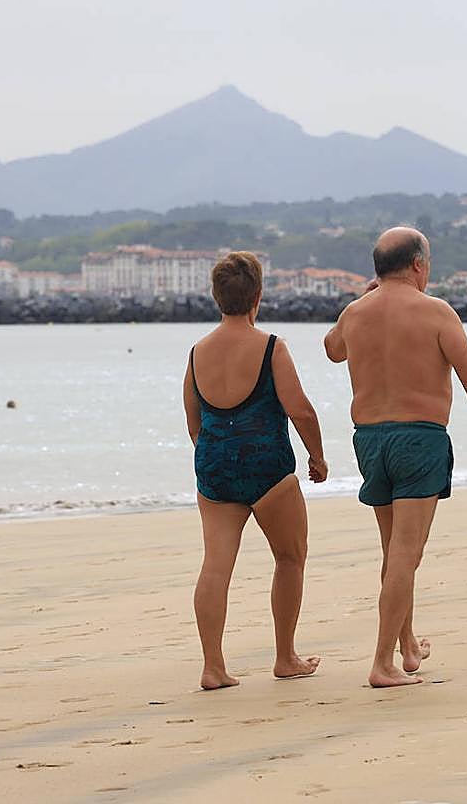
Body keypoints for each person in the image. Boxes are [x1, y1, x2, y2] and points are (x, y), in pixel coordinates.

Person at [324, 227, 467, 688]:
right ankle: (382, 663)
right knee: (407, 554)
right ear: (417, 265)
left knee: (394, 553)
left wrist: (360, 300)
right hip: (418, 439)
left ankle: (407, 644)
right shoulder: (435, 311)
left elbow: (333, 350)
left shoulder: (354, 314)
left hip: (369, 441)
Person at [183, 252, 328, 690]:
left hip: (215, 469)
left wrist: (218, 456)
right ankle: (285, 657)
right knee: (289, 557)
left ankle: (213, 666)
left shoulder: (197, 353)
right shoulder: (270, 347)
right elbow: (299, 409)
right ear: (258, 297)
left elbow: (195, 421)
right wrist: (317, 457)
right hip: (268, 468)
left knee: (216, 565)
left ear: (215, 296)